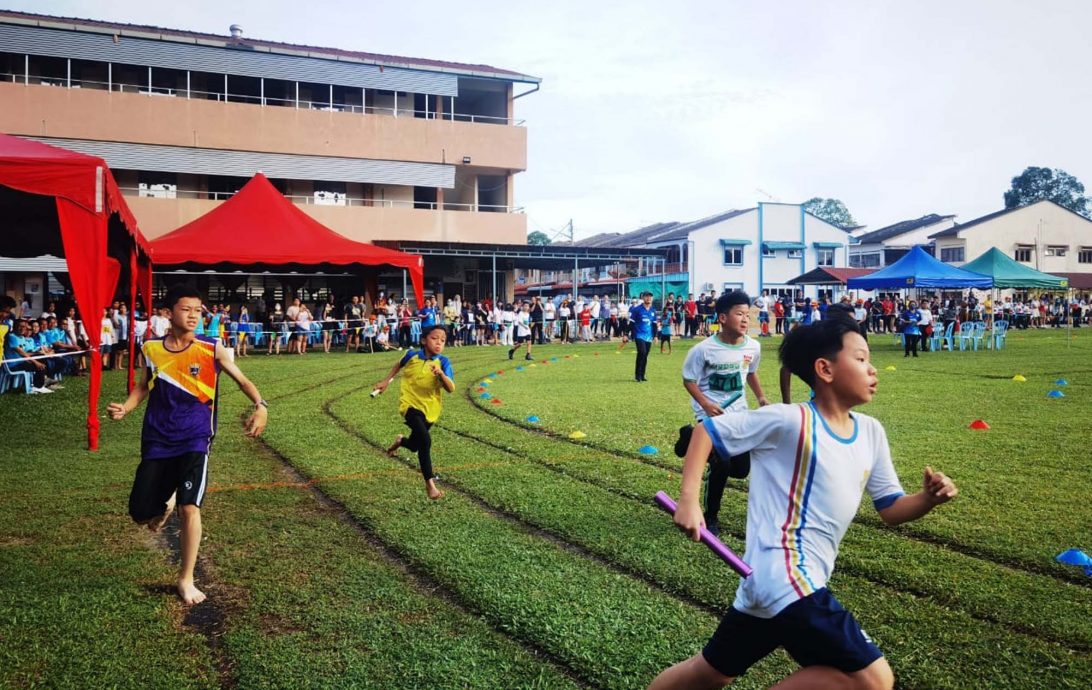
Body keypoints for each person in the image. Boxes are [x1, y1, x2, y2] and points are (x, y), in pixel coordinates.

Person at [648, 315, 958, 690]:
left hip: (778, 582)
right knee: (872, 680)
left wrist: (926, 499)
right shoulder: (790, 421)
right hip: (787, 574)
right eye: (860, 358)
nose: (872, 368)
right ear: (825, 369)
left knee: (711, 672)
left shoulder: (872, 433)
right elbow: (707, 431)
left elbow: (891, 509)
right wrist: (689, 501)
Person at [108, 284, 268, 605]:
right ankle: (164, 504)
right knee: (140, 512)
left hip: (196, 437)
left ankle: (186, 579)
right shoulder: (151, 348)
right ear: (169, 313)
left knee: (190, 507)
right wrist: (126, 407)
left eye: (198, 310)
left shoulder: (212, 348)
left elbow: (242, 379)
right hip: (157, 437)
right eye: (186, 309)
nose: (193, 315)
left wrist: (261, 405)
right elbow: (144, 385)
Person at [676, 290, 769, 536]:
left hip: (740, 414)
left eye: (748, 315)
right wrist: (705, 404)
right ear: (723, 318)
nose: (745, 320)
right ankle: (710, 517)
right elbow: (689, 380)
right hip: (710, 417)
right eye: (740, 314)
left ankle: (689, 438)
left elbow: (750, 372)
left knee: (740, 470)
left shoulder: (753, 346)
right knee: (722, 464)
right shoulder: (703, 350)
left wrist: (760, 397)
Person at [374, 325, 454, 500]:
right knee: (425, 440)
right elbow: (398, 364)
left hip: (431, 410)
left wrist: (441, 374)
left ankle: (401, 441)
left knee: (415, 445)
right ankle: (430, 485)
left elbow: (451, 388)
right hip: (409, 405)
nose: (439, 343)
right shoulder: (411, 355)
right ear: (424, 340)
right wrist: (386, 381)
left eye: (443, 340)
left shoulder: (444, 362)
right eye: (435, 338)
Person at [630, 291, 658, 382]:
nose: (648, 298)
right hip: (639, 335)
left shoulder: (653, 310)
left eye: (650, 297)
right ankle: (637, 375)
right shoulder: (637, 309)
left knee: (645, 355)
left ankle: (642, 375)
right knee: (642, 352)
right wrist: (626, 334)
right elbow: (631, 323)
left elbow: (654, 325)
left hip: (648, 336)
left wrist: (656, 336)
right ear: (643, 298)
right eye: (646, 297)